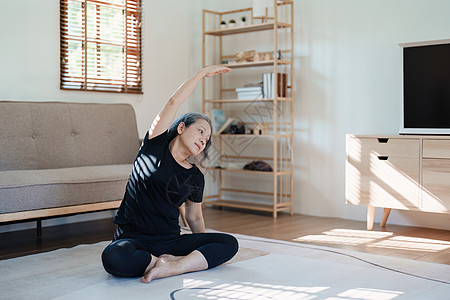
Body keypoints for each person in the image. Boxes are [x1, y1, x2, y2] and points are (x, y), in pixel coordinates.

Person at [101, 65, 238, 284]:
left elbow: (194, 216)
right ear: (182, 128)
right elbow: (173, 102)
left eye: (207, 139)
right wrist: (200, 74)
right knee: (113, 257)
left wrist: (200, 243)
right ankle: (163, 262)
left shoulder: (195, 176)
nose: (204, 140)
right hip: (133, 238)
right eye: (200, 131)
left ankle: (175, 266)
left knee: (229, 243)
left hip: (170, 240)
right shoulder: (155, 145)